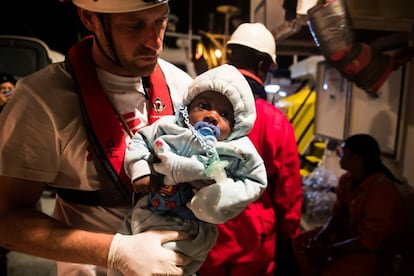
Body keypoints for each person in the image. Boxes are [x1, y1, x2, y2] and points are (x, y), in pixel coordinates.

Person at [0, 0, 196, 275]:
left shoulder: (183, 88)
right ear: (89, 18)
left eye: (160, 20)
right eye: (134, 25)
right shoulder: (41, 100)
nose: (155, 42)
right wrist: (116, 252)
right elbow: (6, 221)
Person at [112, 64, 267, 276]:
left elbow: (255, 181)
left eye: (224, 114)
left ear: (237, 124)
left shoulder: (238, 149)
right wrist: (140, 170)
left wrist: (213, 199)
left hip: (190, 227)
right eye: (203, 106)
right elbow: (141, 141)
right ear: (188, 107)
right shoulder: (168, 127)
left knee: (163, 267)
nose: (212, 116)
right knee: (120, 262)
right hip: (148, 209)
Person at [198, 22, 303, 276]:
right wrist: (291, 238)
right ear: (262, 65)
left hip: (206, 235)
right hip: (254, 244)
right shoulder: (277, 122)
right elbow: (288, 195)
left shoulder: (201, 113)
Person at [292, 134, 406, 276]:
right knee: (300, 244)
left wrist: (328, 250)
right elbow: (337, 215)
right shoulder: (347, 180)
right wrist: (318, 239)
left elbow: (369, 242)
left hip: (373, 253)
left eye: (342, 153)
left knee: (332, 272)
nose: (338, 156)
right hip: (349, 236)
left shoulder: (381, 190)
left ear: (356, 159)